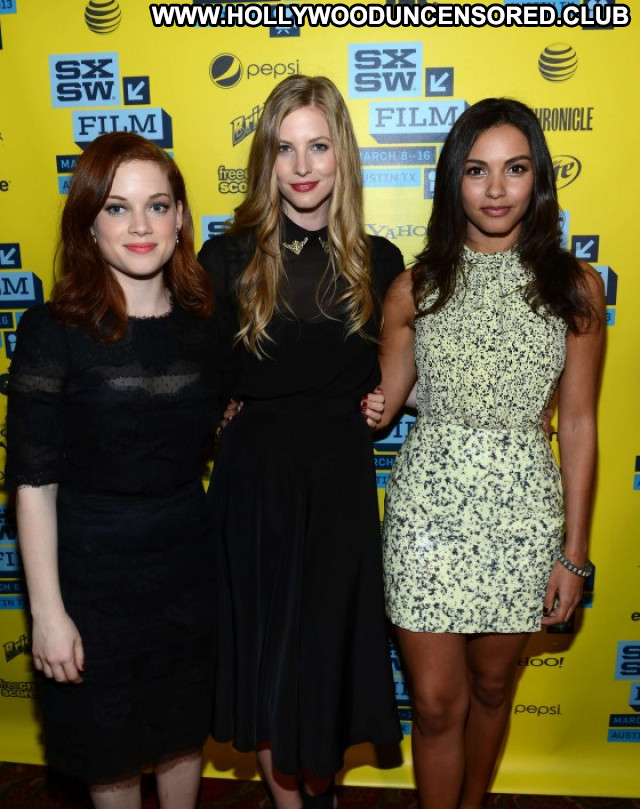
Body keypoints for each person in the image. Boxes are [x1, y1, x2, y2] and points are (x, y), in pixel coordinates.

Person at [377, 98, 605, 809]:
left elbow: (578, 425)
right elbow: (380, 400)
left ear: (539, 180)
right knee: (434, 704)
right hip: (426, 516)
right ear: (455, 180)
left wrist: (574, 554)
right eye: (477, 170)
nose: (497, 188)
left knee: (494, 686)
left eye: (516, 168)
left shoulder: (574, 289)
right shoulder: (415, 287)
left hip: (523, 516)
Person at [197, 75, 403, 809]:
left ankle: (324, 794)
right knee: (268, 659)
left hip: (339, 485)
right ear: (267, 159)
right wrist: (216, 411)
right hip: (254, 485)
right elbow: (197, 375)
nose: (303, 166)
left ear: (342, 154)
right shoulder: (225, 259)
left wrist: (387, 395)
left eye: (318, 146)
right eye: (286, 149)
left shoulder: (381, 261)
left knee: (327, 654)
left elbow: (407, 369)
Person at [5, 132, 222, 809]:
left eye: (157, 206)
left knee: (183, 732)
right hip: (92, 579)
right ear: (89, 224)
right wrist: (47, 612)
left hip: (189, 566)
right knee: (111, 747)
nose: (140, 226)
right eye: (117, 208)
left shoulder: (206, 323)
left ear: (180, 218)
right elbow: (33, 484)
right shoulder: (53, 330)